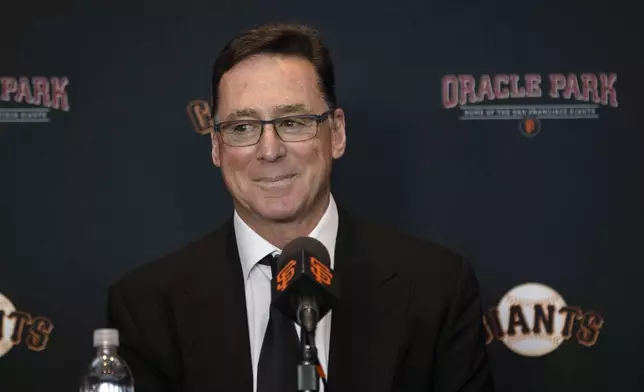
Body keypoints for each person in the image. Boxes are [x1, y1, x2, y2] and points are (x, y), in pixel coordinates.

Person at [107, 22, 494, 392]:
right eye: (243, 128)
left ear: (337, 133)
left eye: (293, 122)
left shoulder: (437, 288)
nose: (270, 150)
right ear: (215, 146)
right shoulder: (147, 306)